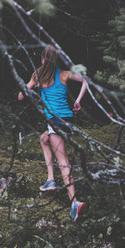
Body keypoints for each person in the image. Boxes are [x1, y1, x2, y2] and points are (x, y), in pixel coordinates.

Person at [17, 45, 89, 222]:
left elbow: (21, 96)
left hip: (55, 122)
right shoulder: (64, 74)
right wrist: (78, 101)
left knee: (63, 160)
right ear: (55, 60)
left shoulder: (38, 76)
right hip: (67, 120)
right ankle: (50, 180)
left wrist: (27, 89)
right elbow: (87, 80)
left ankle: (74, 202)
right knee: (43, 139)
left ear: (42, 59)